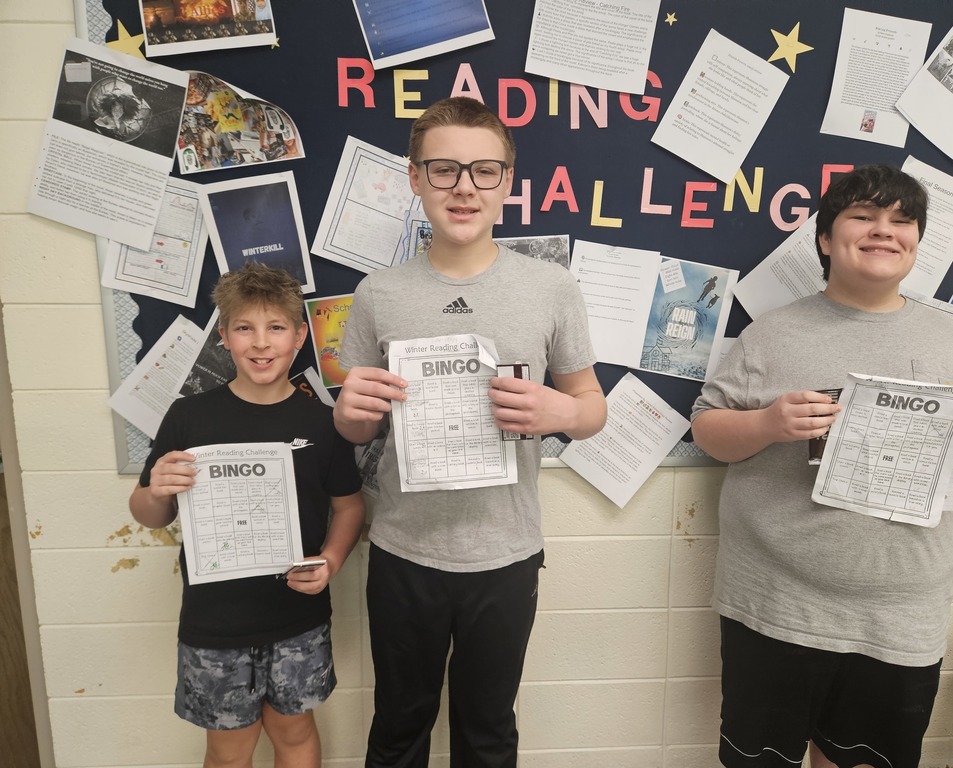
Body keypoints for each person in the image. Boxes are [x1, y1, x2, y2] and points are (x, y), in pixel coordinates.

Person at [690, 164, 953, 768]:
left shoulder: (949, 338)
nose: (883, 230)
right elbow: (707, 428)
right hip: (777, 602)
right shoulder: (773, 334)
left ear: (916, 241)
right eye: (863, 216)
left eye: (901, 220)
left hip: (902, 609)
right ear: (824, 238)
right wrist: (767, 424)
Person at [333, 96, 607, 767]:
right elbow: (356, 425)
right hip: (403, 552)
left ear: (507, 182)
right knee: (398, 727)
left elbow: (591, 405)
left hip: (506, 554)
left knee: (488, 732)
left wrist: (563, 414)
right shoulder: (378, 293)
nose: (464, 187)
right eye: (445, 169)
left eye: (484, 171)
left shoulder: (550, 287)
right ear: (415, 178)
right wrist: (348, 412)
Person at [129, 262, 365, 768]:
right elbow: (148, 512)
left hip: (297, 619)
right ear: (224, 336)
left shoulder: (323, 423)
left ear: (299, 336)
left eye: (275, 327)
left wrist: (331, 560)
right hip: (214, 622)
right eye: (244, 328)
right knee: (229, 750)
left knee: (295, 734)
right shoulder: (188, 416)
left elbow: (349, 506)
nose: (260, 343)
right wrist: (157, 489)